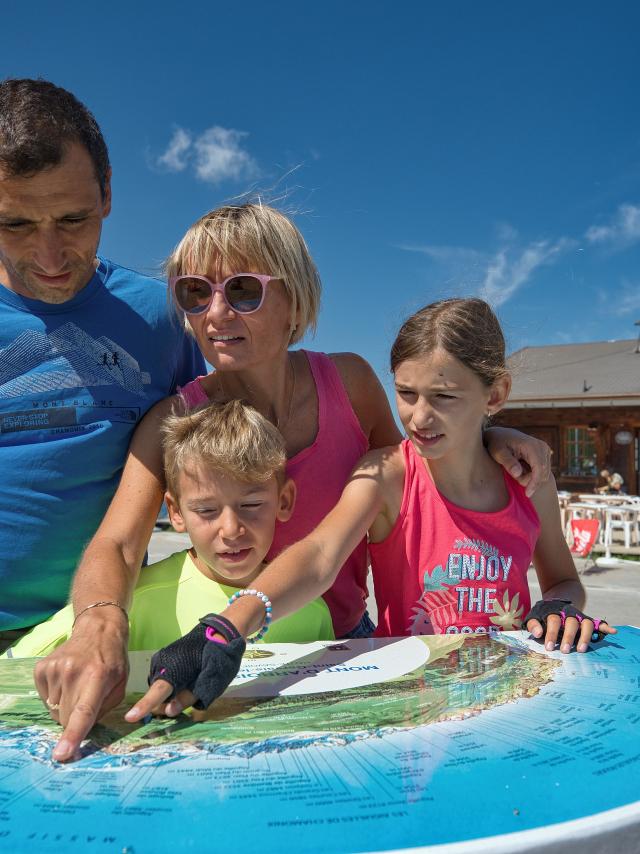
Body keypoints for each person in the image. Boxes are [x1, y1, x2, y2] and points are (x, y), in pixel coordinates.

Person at [36, 205, 551, 761]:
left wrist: (491, 436)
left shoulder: (350, 384)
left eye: (242, 291)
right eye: (194, 293)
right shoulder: (174, 420)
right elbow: (118, 543)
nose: (215, 312)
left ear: (296, 299)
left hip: (350, 642)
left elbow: (415, 462)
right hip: (227, 646)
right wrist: (98, 622)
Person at [127, 298, 617, 721]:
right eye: (405, 394)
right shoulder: (386, 475)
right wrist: (228, 625)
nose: (418, 417)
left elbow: (562, 582)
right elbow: (319, 556)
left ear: (496, 394)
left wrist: (559, 607)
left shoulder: (529, 481)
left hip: (504, 697)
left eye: (444, 397)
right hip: (408, 699)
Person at [0, 78, 204, 650]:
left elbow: (237, 430)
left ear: (107, 193)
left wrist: (477, 437)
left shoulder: (163, 316)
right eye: (14, 224)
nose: (49, 255)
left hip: (100, 630)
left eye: (72, 220)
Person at [6, 401, 333, 662]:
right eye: (207, 510)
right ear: (176, 512)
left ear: (284, 500)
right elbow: (15, 665)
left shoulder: (310, 608)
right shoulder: (134, 603)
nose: (231, 530)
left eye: (251, 505)